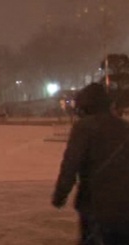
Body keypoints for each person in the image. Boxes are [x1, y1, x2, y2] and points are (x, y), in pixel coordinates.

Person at [52, 83, 129, 245]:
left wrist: (60, 194)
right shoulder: (124, 127)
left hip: (94, 203)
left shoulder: (84, 128)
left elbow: (71, 164)